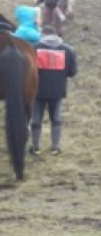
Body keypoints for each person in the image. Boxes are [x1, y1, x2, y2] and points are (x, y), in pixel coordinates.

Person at [29, 25, 77, 156]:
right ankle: (55, 147)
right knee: (56, 118)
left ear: (43, 34)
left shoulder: (34, 48)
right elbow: (72, 72)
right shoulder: (68, 50)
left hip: (38, 90)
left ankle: (35, 147)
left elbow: (28, 69)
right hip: (58, 90)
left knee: (36, 119)